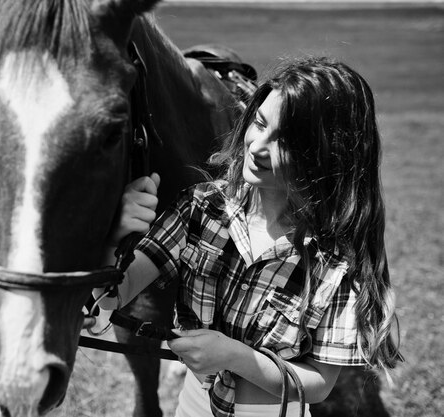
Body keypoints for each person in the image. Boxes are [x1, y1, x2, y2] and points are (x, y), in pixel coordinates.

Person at [97, 56, 401, 417]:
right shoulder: (201, 207)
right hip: (194, 405)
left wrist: (235, 357)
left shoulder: (337, 258)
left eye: (285, 140)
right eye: (259, 123)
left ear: (326, 154)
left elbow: (318, 384)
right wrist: (114, 240)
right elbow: (112, 298)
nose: (257, 146)